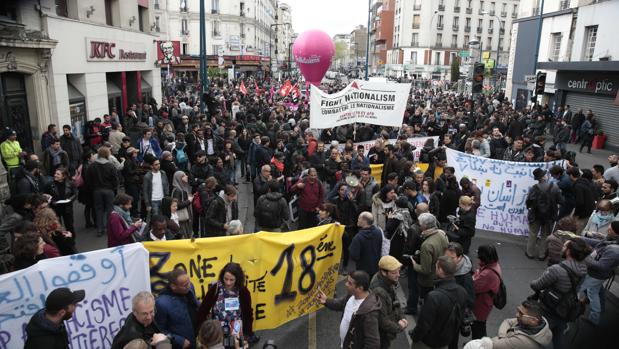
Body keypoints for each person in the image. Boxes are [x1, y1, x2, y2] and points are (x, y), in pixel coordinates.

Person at [530, 237, 590, 348]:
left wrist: (532, 282)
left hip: (550, 307)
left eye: (564, 246)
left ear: (568, 251)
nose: (562, 248)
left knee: (537, 335)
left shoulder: (556, 269)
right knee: (558, 336)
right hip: (567, 307)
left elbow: (537, 285)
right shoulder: (583, 269)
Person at [410, 256, 469, 349]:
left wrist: (414, 336)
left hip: (427, 342)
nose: (435, 268)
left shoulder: (433, 297)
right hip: (445, 342)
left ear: (440, 270)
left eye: (436, 266)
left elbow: (423, 325)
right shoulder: (463, 292)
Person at [197, 262, 259, 345]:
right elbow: (203, 310)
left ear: (237, 279)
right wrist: (202, 332)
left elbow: (248, 313)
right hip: (217, 335)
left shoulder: (243, 292)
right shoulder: (215, 289)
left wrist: (247, 334)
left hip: (236, 334)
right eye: (225, 279)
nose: (228, 283)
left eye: (231, 280)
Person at [317, 270, 381, 349]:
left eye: (350, 283)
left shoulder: (369, 313)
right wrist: (326, 301)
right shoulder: (352, 296)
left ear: (360, 288)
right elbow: (341, 304)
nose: (346, 284)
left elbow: (373, 343)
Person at [579, 220, 619, 324]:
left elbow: (602, 266)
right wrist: (579, 238)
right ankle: (601, 307)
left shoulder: (614, 250)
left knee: (588, 291)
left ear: (616, 232)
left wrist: (585, 257)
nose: (608, 230)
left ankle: (594, 318)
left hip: (596, 275)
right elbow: (598, 244)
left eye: (610, 229)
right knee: (597, 290)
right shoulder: (612, 239)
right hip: (598, 275)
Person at [155, 268, 200, 349]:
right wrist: (179, 341)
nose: (189, 286)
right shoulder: (161, 303)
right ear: (173, 286)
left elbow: (194, 303)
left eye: (189, 282)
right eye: (185, 285)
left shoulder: (189, 287)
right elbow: (160, 331)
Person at [370, 256, 408, 348]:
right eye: (394, 272)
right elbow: (382, 321)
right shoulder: (379, 291)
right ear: (383, 272)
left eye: (399, 271)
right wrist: (399, 327)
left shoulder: (386, 280)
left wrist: (401, 317)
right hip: (381, 335)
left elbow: (395, 301)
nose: (398, 275)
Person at [411, 213, 449, 303]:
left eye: (419, 224)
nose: (418, 226)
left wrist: (414, 264)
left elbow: (425, 270)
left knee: (426, 302)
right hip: (440, 276)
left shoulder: (427, 245)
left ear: (424, 226)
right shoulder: (441, 234)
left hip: (428, 281)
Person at [525, 168, 562, 260]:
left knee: (533, 233)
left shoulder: (534, 188)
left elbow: (528, 201)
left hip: (535, 214)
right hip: (549, 216)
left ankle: (530, 253)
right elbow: (560, 200)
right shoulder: (555, 187)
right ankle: (542, 254)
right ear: (544, 176)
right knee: (545, 234)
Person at [482, 301, 552, 349]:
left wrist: (503, 339)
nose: (517, 315)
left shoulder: (522, 341)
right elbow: (507, 321)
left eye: (521, 313)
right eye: (518, 311)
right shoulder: (539, 323)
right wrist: (503, 337)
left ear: (533, 320)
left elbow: (493, 344)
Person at [87, 146, 119, 237]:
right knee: (110, 210)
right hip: (109, 190)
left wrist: (93, 188)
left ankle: (100, 229)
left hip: (97, 191)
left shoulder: (92, 166)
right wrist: (113, 188)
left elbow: (88, 179)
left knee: (98, 210)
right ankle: (109, 229)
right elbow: (115, 180)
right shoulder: (110, 166)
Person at [472, 244, 502, 339]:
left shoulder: (487, 273)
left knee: (478, 327)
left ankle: (478, 344)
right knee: (480, 325)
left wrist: (476, 274)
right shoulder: (495, 265)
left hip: (481, 304)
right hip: (486, 302)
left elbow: (474, 286)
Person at [45, 167, 77, 244]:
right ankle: (61, 241)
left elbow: (75, 193)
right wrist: (52, 201)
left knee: (69, 225)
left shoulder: (70, 183)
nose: (55, 175)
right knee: (58, 226)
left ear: (64, 176)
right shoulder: (49, 184)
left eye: (58, 174)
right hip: (55, 209)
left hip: (67, 208)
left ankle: (71, 240)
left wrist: (70, 200)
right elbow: (45, 195)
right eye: (55, 173)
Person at [349, 212, 383, 277]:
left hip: (362, 270)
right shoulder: (378, 231)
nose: (357, 220)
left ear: (364, 221)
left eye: (359, 218)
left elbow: (354, 256)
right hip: (376, 267)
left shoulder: (358, 237)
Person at [568, 167, 597, 235]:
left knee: (576, 232)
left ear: (571, 175)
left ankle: (573, 244)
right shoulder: (585, 182)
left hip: (583, 213)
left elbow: (580, 202)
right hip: (589, 211)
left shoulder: (578, 186)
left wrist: (576, 215)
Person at [170, 171, 193, 238]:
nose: (186, 176)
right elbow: (177, 205)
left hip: (183, 218)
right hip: (181, 218)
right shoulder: (178, 190)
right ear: (179, 178)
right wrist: (189, 201)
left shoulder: (182, 187)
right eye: (183, 176)